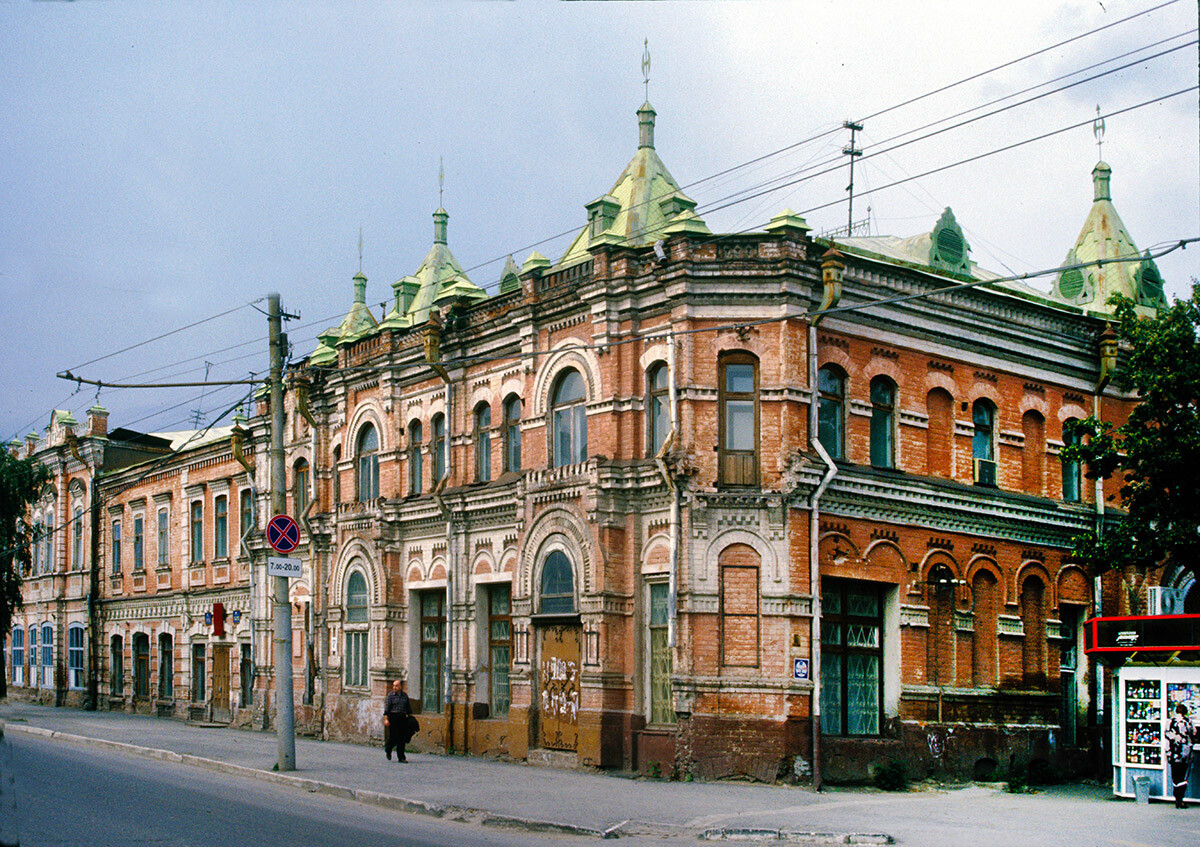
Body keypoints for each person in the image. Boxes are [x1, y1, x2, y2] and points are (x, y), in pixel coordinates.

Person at [1165, 702, 1197, 809]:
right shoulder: (1188, 722)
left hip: (1174, 754)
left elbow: (1167, 737)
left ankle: (1176, 799)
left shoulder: (1170, 722)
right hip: (1185, 754)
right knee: (1183, 777)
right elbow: (1194, 734)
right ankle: (1180, 799)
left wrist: (1167, 752)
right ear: (1185, 712)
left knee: (1175, 776)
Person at [383, 679, 413, 762]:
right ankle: (388, 749)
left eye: (396, 686)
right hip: (393, 717)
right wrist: (386, 719)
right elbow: (387, 709)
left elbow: (408, 708)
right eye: (393, 685)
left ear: (401, 687)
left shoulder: (405, 696)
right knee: (394, 737)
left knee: (402, 738)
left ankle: (401, 757)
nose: (394, 687)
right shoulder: (391, 696)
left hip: (402, 718)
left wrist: (411, 718)